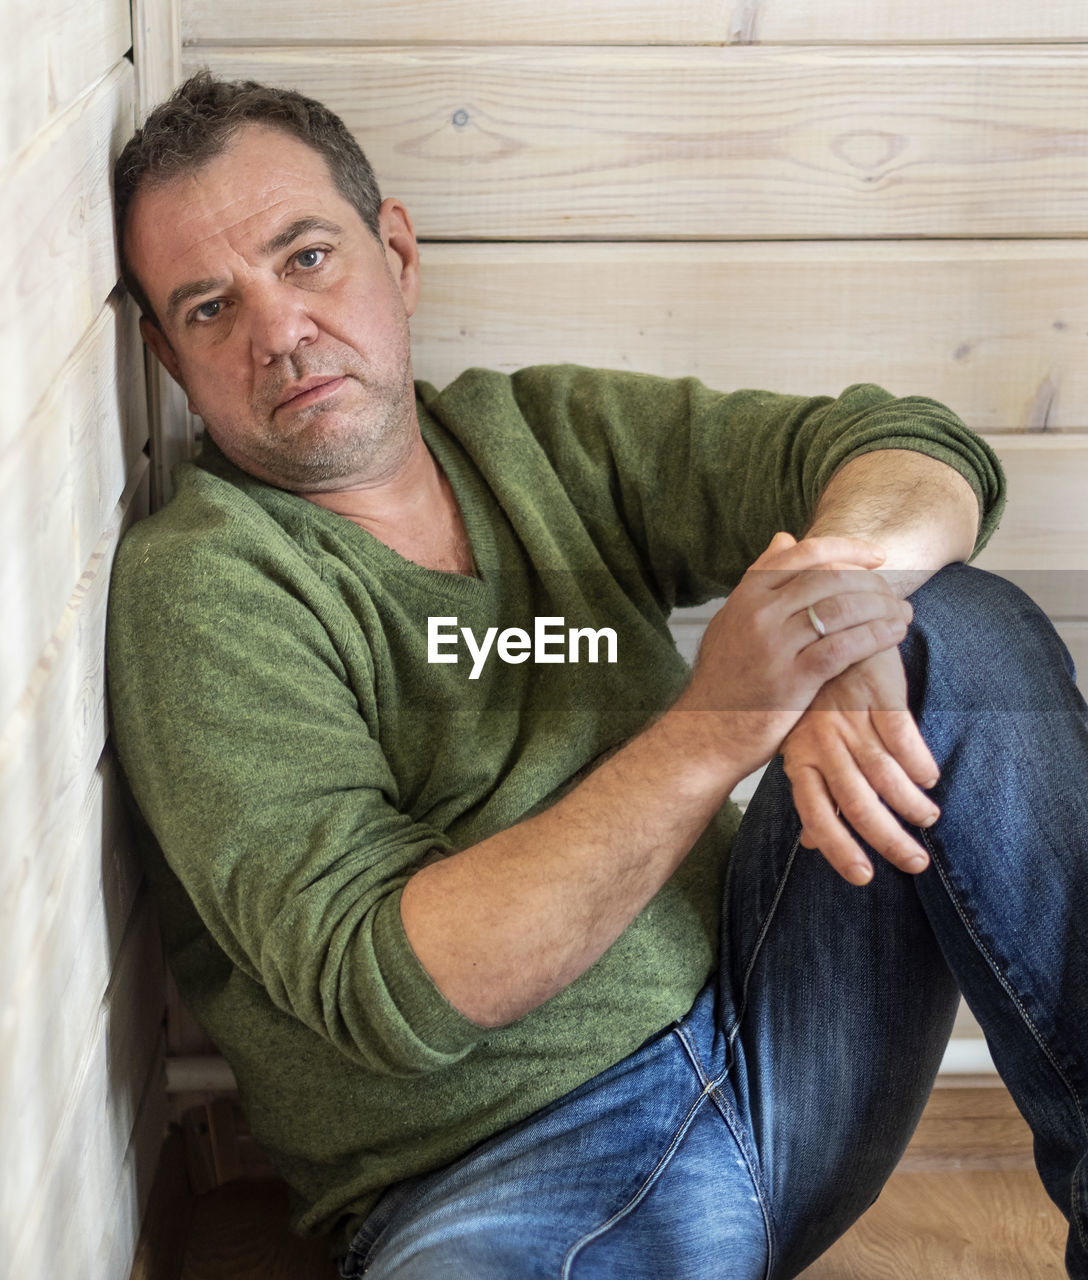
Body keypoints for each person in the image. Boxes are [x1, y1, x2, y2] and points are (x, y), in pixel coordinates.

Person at [107, 72, 1088, 1279]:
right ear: (163, 351)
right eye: (209, 307)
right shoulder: (205, 585)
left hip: (782, 1024)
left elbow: (911, 446)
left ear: (395, 252)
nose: (278, 331)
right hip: (504, 1173)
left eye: (305, 257)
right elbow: (388, 982)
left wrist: (837, 605)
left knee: (955, 626)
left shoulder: (538, 437)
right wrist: (721, 718)